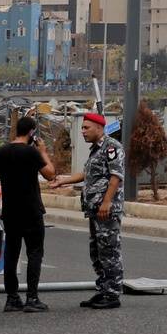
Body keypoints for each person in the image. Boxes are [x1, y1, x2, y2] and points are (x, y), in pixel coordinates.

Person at [54, 111, 125, 309]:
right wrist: (63, 181)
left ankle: (112, 294)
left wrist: (106, 202)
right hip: (94, 209)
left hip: (106, 210)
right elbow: (87, 174)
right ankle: (102, 290)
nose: (83, 131)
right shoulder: (96, 150)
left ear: (99, 128)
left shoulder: (112, 147)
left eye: (86, 128)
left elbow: (116, 176)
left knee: (109, 251)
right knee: (97, 252)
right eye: (82, 128)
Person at [0, 116, 57, 312]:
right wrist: (43, 152)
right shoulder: (31, 152)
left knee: (11, 253)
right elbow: (50, 174)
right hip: (31, 210)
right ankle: (32, 298)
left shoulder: (2, 151)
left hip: (10, 211)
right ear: (31, 132)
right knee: (35, 253)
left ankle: (12, 298)